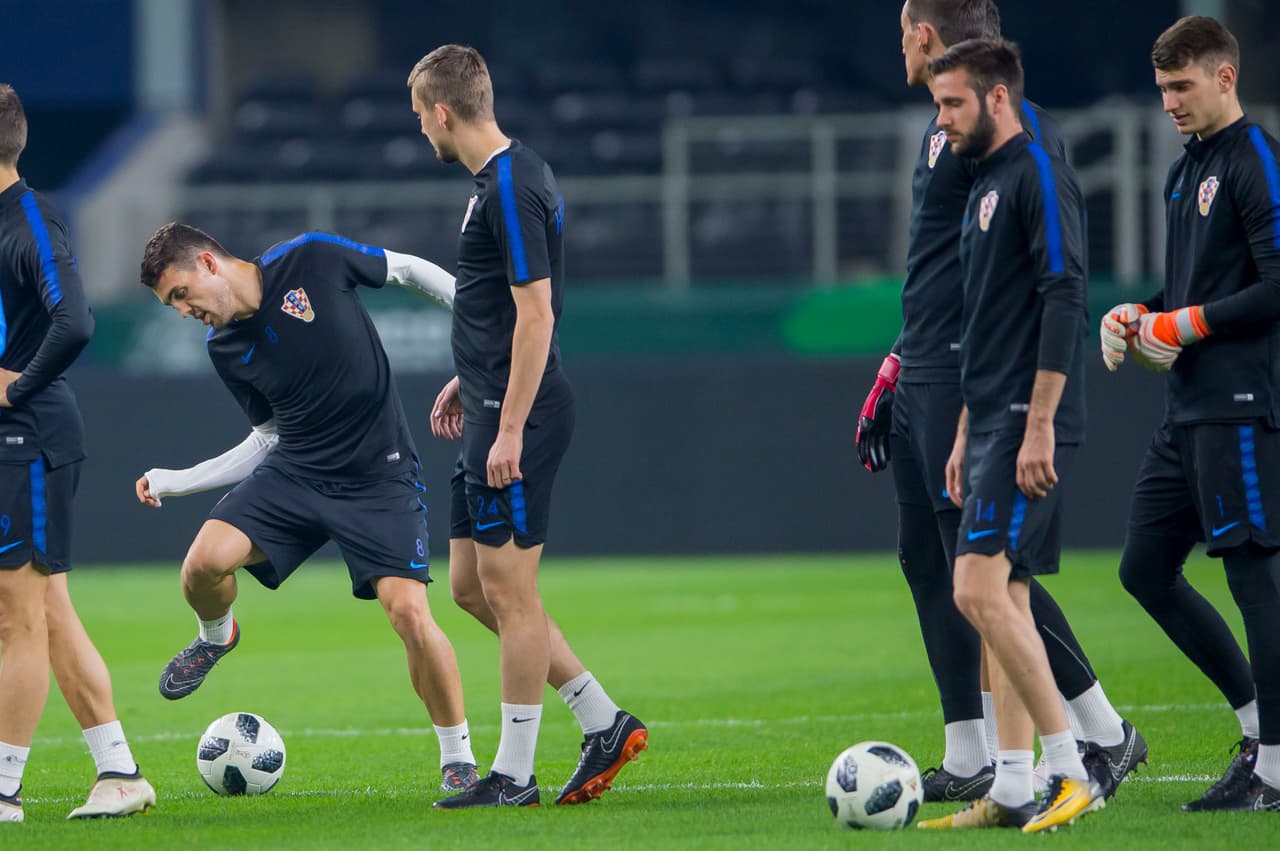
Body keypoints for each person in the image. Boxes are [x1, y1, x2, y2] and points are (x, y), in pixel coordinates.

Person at [858, 0, 1143, 804]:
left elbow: (1054, 281)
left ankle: (1097, 732)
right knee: (931, 557)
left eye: (955, 102)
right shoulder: (944, 129)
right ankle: (981, 754)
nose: (944, 114)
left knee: (988, 569)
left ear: (924, 33)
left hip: (974, 379)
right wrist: (900, 352)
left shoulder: (1019, 140)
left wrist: (1024, 407)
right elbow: (947, 267)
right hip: (934, 371)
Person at [134, 222, 481, 793]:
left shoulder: (310, 259)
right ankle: (217, 636)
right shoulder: (224, 347)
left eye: (180, 295)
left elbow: (407, 269)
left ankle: (457, 757)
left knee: (409, 616)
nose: (182, 311)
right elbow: (267, 438)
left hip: (379, 476)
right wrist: (179, 481)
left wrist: (477, 326)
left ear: (209, 264)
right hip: (296, 473)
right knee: (202, 565)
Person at [406, 45, 647, 809]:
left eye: (421, 118)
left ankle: (512, 774)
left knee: (510, 593)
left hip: (522, 417)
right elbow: (501, 311)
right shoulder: (500, 181)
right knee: (471, 587)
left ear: (443, 111)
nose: (421, 133)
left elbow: (539, 311)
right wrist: (467, 375)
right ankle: (601, 719)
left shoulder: (510, 185)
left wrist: (508, 426)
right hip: (489, 401)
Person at [912, 39, 1106, 832]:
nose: (941, 119)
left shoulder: (1036, 174)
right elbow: (988, 322)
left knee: (975, 591)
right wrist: (964, 427)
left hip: (1027, 424)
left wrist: (1039, 424)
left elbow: (1065, 297)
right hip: (987, 420)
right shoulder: (983, 183)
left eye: (953, 103)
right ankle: (1016, 785)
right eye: (937, 104)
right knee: (1006, 596)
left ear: (997, 99)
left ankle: (1072, 767)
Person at [1101, 15, 1280, 813]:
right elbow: (1188, 295)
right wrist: (1137, 314)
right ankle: (1256, 731)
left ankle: (1275, 771)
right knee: (1143, 565)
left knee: (1254, 578)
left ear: (1225, 77)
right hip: (1188, 408)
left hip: (1240, 404)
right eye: (1162, 88)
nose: (1169, 101)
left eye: (1182, 86)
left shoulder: (1254, 158)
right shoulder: (1186, 171)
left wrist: (1190, 324)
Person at [0, 83, 156, 822]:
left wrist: (14, 388)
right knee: (48, 610)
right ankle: (119, 770)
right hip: (14, 437)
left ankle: (3, 789)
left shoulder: (32, 217)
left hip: (26, 435)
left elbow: (78, 320)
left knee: (17, 615)